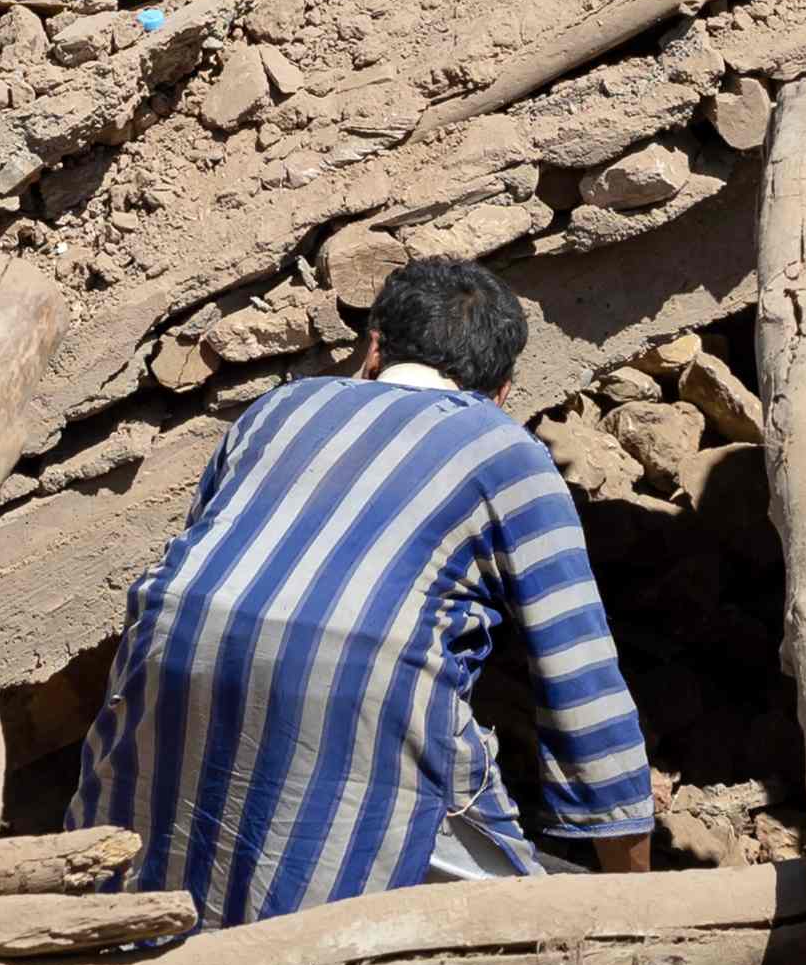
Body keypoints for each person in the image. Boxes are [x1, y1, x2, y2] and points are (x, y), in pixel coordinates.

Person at [74, 257, 659, 926]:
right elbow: (582, 683)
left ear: (374, 349)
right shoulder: (507, 452)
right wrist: (636, 905)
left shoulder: (279, 408)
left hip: (160, 676)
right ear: (501, 393)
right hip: (357, 702)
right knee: (512, 928)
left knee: (162, 878)